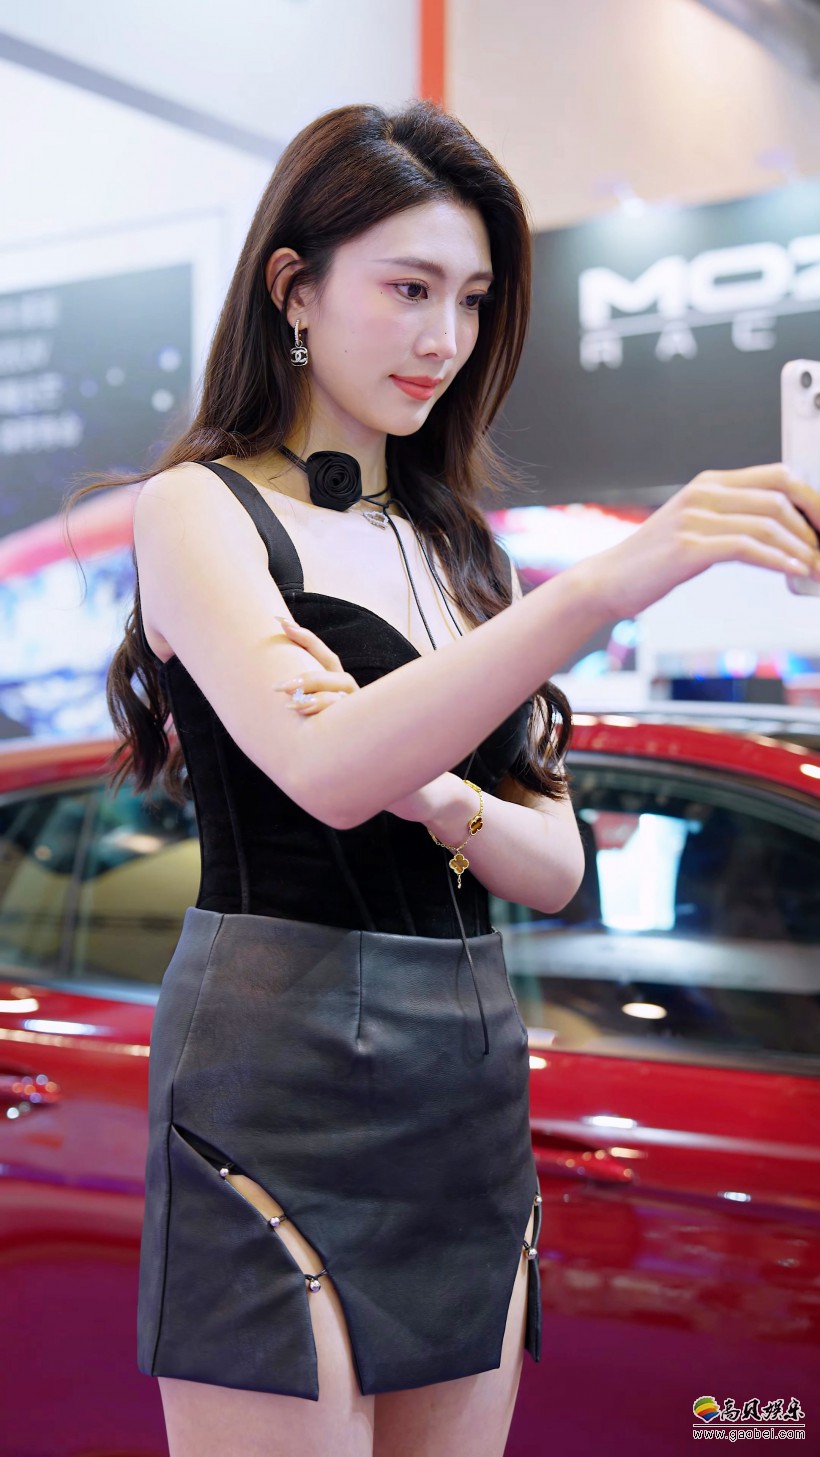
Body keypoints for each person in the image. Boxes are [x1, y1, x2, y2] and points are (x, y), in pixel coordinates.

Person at [68, 100, 820, 1457]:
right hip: (275, 1075)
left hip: (468, 1083)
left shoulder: (459, 547)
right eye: (409, 289)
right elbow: (324, 771)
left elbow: (555, 864)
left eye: (472, 300)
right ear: (294, 289)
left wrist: (440, 792)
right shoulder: (199, 508)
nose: (446, 339)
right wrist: (606, 586)